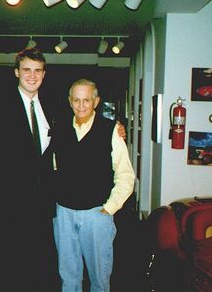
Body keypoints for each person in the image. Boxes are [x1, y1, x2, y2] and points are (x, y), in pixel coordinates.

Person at [0, 47, 59, 291]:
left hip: (42, 205)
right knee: (8, 266)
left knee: (39, 264)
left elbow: (76, 125)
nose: (32, 76)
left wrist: (113, 129)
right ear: (16, 72)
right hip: (10, 204)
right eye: (26, 70)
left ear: (44, 74)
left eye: (37, 71)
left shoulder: (51, 106)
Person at [51, 79, 135, 292]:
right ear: (70, 101)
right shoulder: (58, 130)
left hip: (97, 214)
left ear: (96, 101)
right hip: (64, 215)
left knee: (99, 279)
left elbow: (126, 175)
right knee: (69, 278)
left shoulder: (111, 131)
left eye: (86, 100)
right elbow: (51, 169)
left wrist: (110, 207)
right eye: (76, 100)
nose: (81, 105)